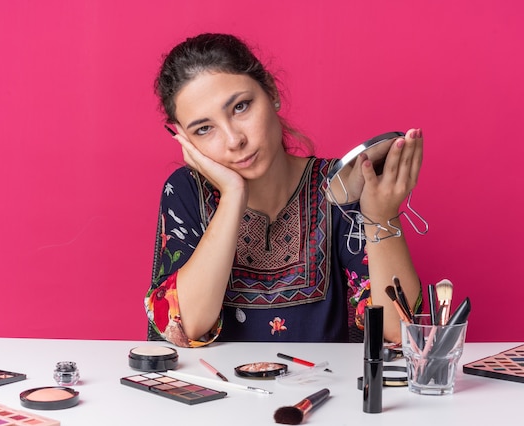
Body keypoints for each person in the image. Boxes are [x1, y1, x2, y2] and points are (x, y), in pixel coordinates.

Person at [145, 33, 422, 348]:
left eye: (241, 107)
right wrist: (234, 194)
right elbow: (187, 326)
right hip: (223, 393)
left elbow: (401, 332)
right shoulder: (185, 191)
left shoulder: (342, 185)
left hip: (326, 390)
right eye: (204, 129)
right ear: (185, 140)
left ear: (272, 92)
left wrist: (382, 214)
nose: (234, 139)